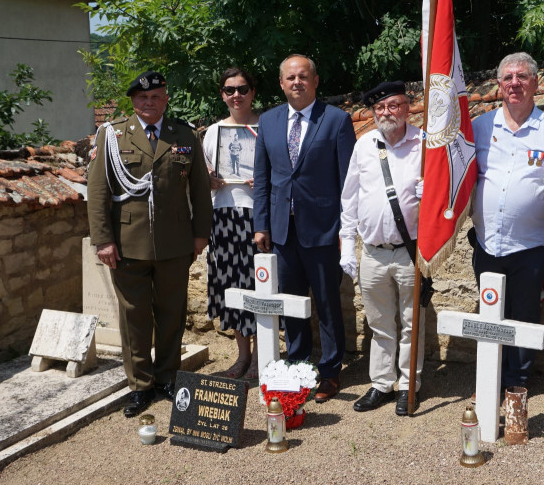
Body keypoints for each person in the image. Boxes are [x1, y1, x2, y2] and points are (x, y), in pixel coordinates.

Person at [87, 70, 213, 418]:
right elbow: (98, 193)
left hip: (175, 243)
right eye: (142, 98)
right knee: (135, 318)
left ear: (166, 99)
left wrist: (201, 233)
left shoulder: (184, 135)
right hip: (126, 245)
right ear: (132, 101)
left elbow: (200, 189)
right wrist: (103, 240)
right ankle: (141, 386)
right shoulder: (110, 135)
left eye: (156, 97)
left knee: (172, 315)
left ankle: (169, 378)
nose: (149, 103)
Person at [253, 54, 356, 403]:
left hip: (324, 229)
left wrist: (347, 229)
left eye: (303, 76)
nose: (296, 82)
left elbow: (348, 182)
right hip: (283, 230)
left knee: (326, 303)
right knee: (291, 303)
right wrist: (261, 224)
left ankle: (329, 372)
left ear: (315, 81)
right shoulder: (267, 122)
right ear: (281, 84)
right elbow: (263, 180)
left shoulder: (337, 121)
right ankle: (297, 365)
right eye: (290, 77)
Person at [471, 52, 544, 392]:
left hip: (530, 245)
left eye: (522, 77)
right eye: (508, 78)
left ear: (536, 83)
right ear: (499, 85)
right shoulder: (480, 127)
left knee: (525, 315)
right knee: (490, 311)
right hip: (486, 242)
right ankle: (491, 378)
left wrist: (531, 206)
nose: (514, 83)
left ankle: (517, 382)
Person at [339, 81, 425, 416]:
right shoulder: (364, 145)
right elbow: (350, 199)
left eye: (393, 106)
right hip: (372, 252)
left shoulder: (424, 144)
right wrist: (348, 247)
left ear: (407, 107)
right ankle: (381, 383)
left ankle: (408, 386)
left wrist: (430, 194)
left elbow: (447, 198)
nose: (386, 113)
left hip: (409, 252)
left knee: (410, 322)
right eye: (380, 108)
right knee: (379, 323)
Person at [203, 67, 260, 380]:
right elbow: (205, 176)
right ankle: (242, 357)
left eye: (242, 88)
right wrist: (210, 181)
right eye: (229, 90)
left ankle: (260, 360)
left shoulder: (267, 127)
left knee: (260, 287)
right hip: (224, 216)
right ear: (222, 95)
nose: (235, 95)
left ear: (252, 92)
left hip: (259, 216)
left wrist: (263, 181)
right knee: (232, 289)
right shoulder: (213, 132)